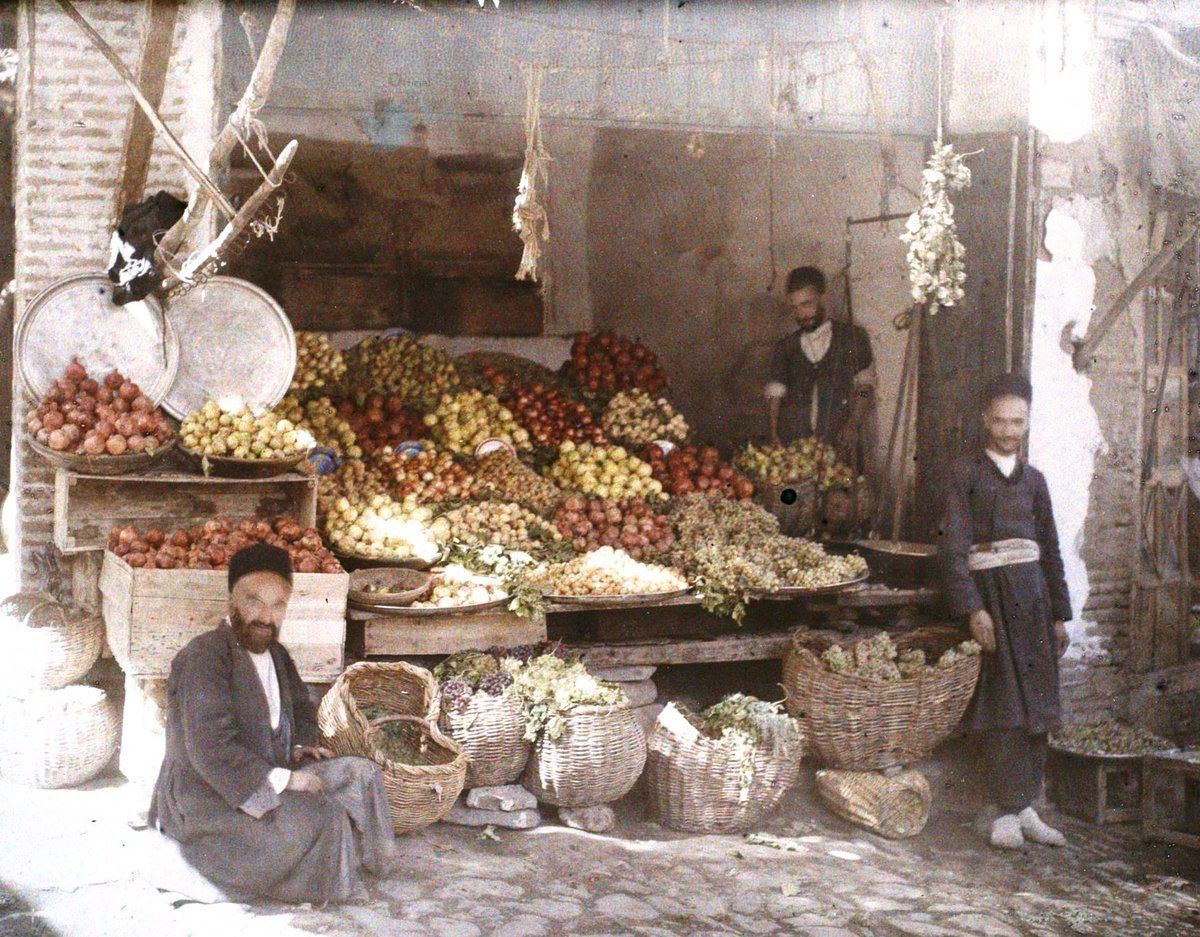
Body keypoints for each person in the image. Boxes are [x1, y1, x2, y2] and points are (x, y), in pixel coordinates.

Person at [150, 542, 396, 903]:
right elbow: (211, 750)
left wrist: (299, 745)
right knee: (322, 816)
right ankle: (207, 869)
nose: (266, 615)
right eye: (254, 601)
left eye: (278, 604)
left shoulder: (276, 653)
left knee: (363, 775)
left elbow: (301, 707)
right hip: (210, 798)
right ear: (232, 599)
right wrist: (287, 780)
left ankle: (368, 869)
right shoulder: (205, 657)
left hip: (268, 773)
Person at [938, 373, 1072, 851]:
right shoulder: (964, 473)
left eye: (1018, 422)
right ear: (984, 421)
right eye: (1000, 421)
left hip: (1033, 600)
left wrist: (1059, 613)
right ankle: (1003, 811)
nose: (1009, 431)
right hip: (992, 601)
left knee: (1037, 702)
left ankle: (1027, 807)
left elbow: (1050, 549)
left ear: (1028, 422)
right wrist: (972, 607)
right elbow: (953, 547)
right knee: (1003, 705)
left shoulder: (1035, 481)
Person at [764, 266, 876, 461]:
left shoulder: (853, 337)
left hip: (840, 447)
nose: (801, 314)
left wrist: (853, 424)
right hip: (797, 450)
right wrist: (774, 432)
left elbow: (865, 387)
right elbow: (775, 395)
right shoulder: (785, 347)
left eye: (807, 304)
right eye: (795, 307)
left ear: (823, 299)